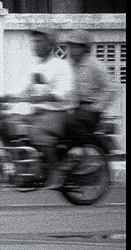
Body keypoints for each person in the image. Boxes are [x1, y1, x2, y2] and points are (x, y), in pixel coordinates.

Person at [22, 29, 73, 185]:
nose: (35, 45)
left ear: (49, 44)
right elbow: (25, 89)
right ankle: (28, 169)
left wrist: (41, 97)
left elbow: (64, 93)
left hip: (57, 114)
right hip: (40, 113)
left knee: (36, 131)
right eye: (34, 42)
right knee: (12, 124)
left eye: (39, 41)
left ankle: (55, 169)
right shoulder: (36, 67)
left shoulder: (61, 65)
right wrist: (5, 97)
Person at [60, 29, 115, 144]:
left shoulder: (96, 66)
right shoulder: (66, 64)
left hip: (90, 111)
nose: (73, 51)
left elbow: (110, 88)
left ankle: (93, 143)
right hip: (72, 108)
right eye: (71, 47)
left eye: (77, 47)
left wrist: (95, 107)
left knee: (69, 122)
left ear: (85, 48)